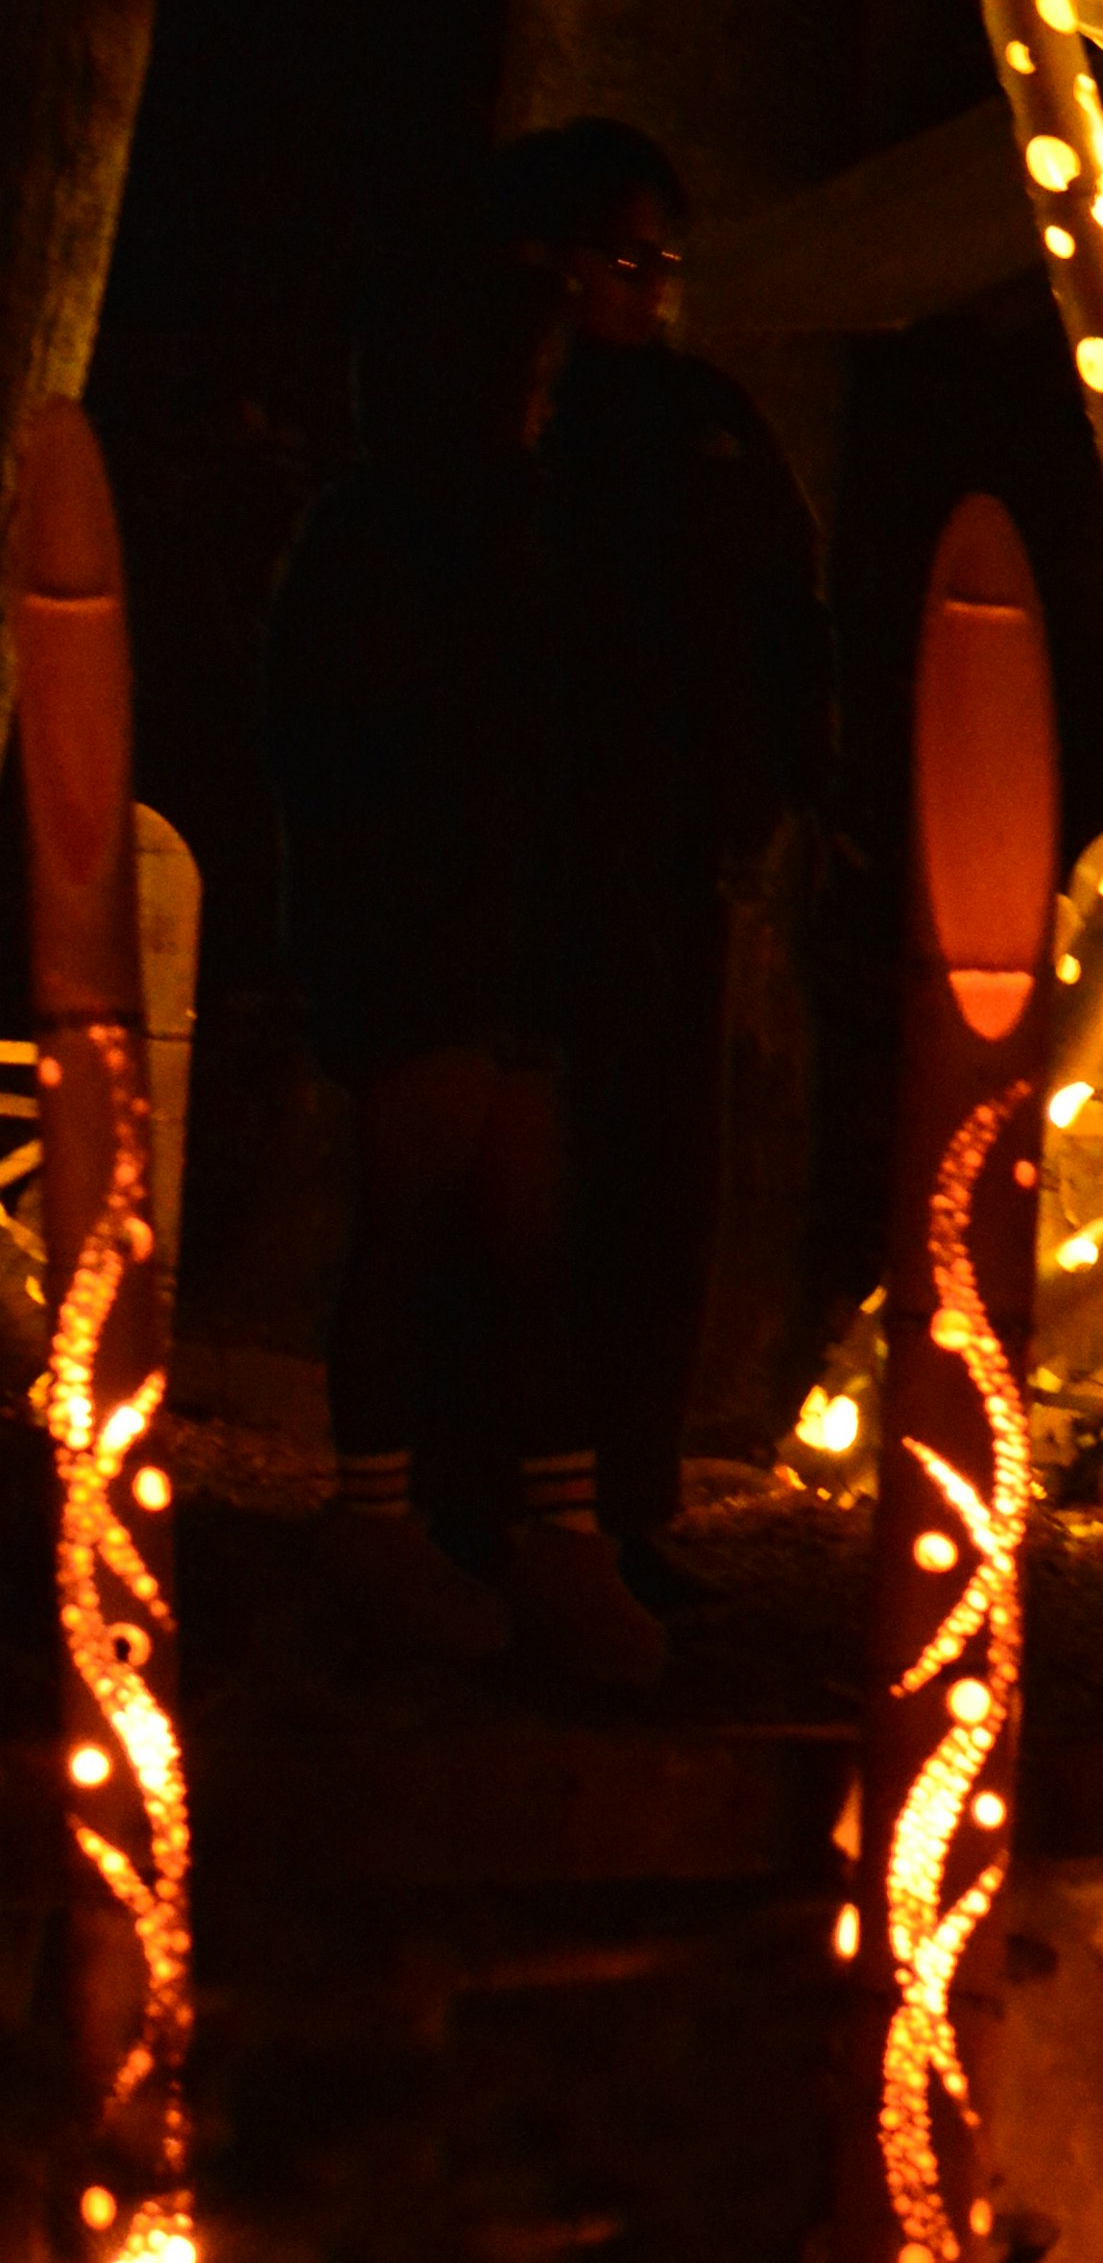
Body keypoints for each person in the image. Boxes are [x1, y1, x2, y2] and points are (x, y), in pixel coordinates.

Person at [261, 240, 666, 1691]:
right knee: (420, 1217)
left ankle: (559, 1534)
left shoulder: (520, 531)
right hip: (425, 936)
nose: (549, 405)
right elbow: (361, 751)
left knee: (526, 1239)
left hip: (503, 932)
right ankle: (375, 1520)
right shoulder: (388, 540)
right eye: (533, 379)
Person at [486, 122, 828, 1611]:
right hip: (548, 856)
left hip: (692, 859)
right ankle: (502, 1499)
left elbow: (786, 610)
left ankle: (629, 1500)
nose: (651, 294)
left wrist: (791, 788)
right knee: (539, 1186)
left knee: (664, 1183)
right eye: (628, 263)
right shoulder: (520, 432)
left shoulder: (707, 419)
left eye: (665, 267)